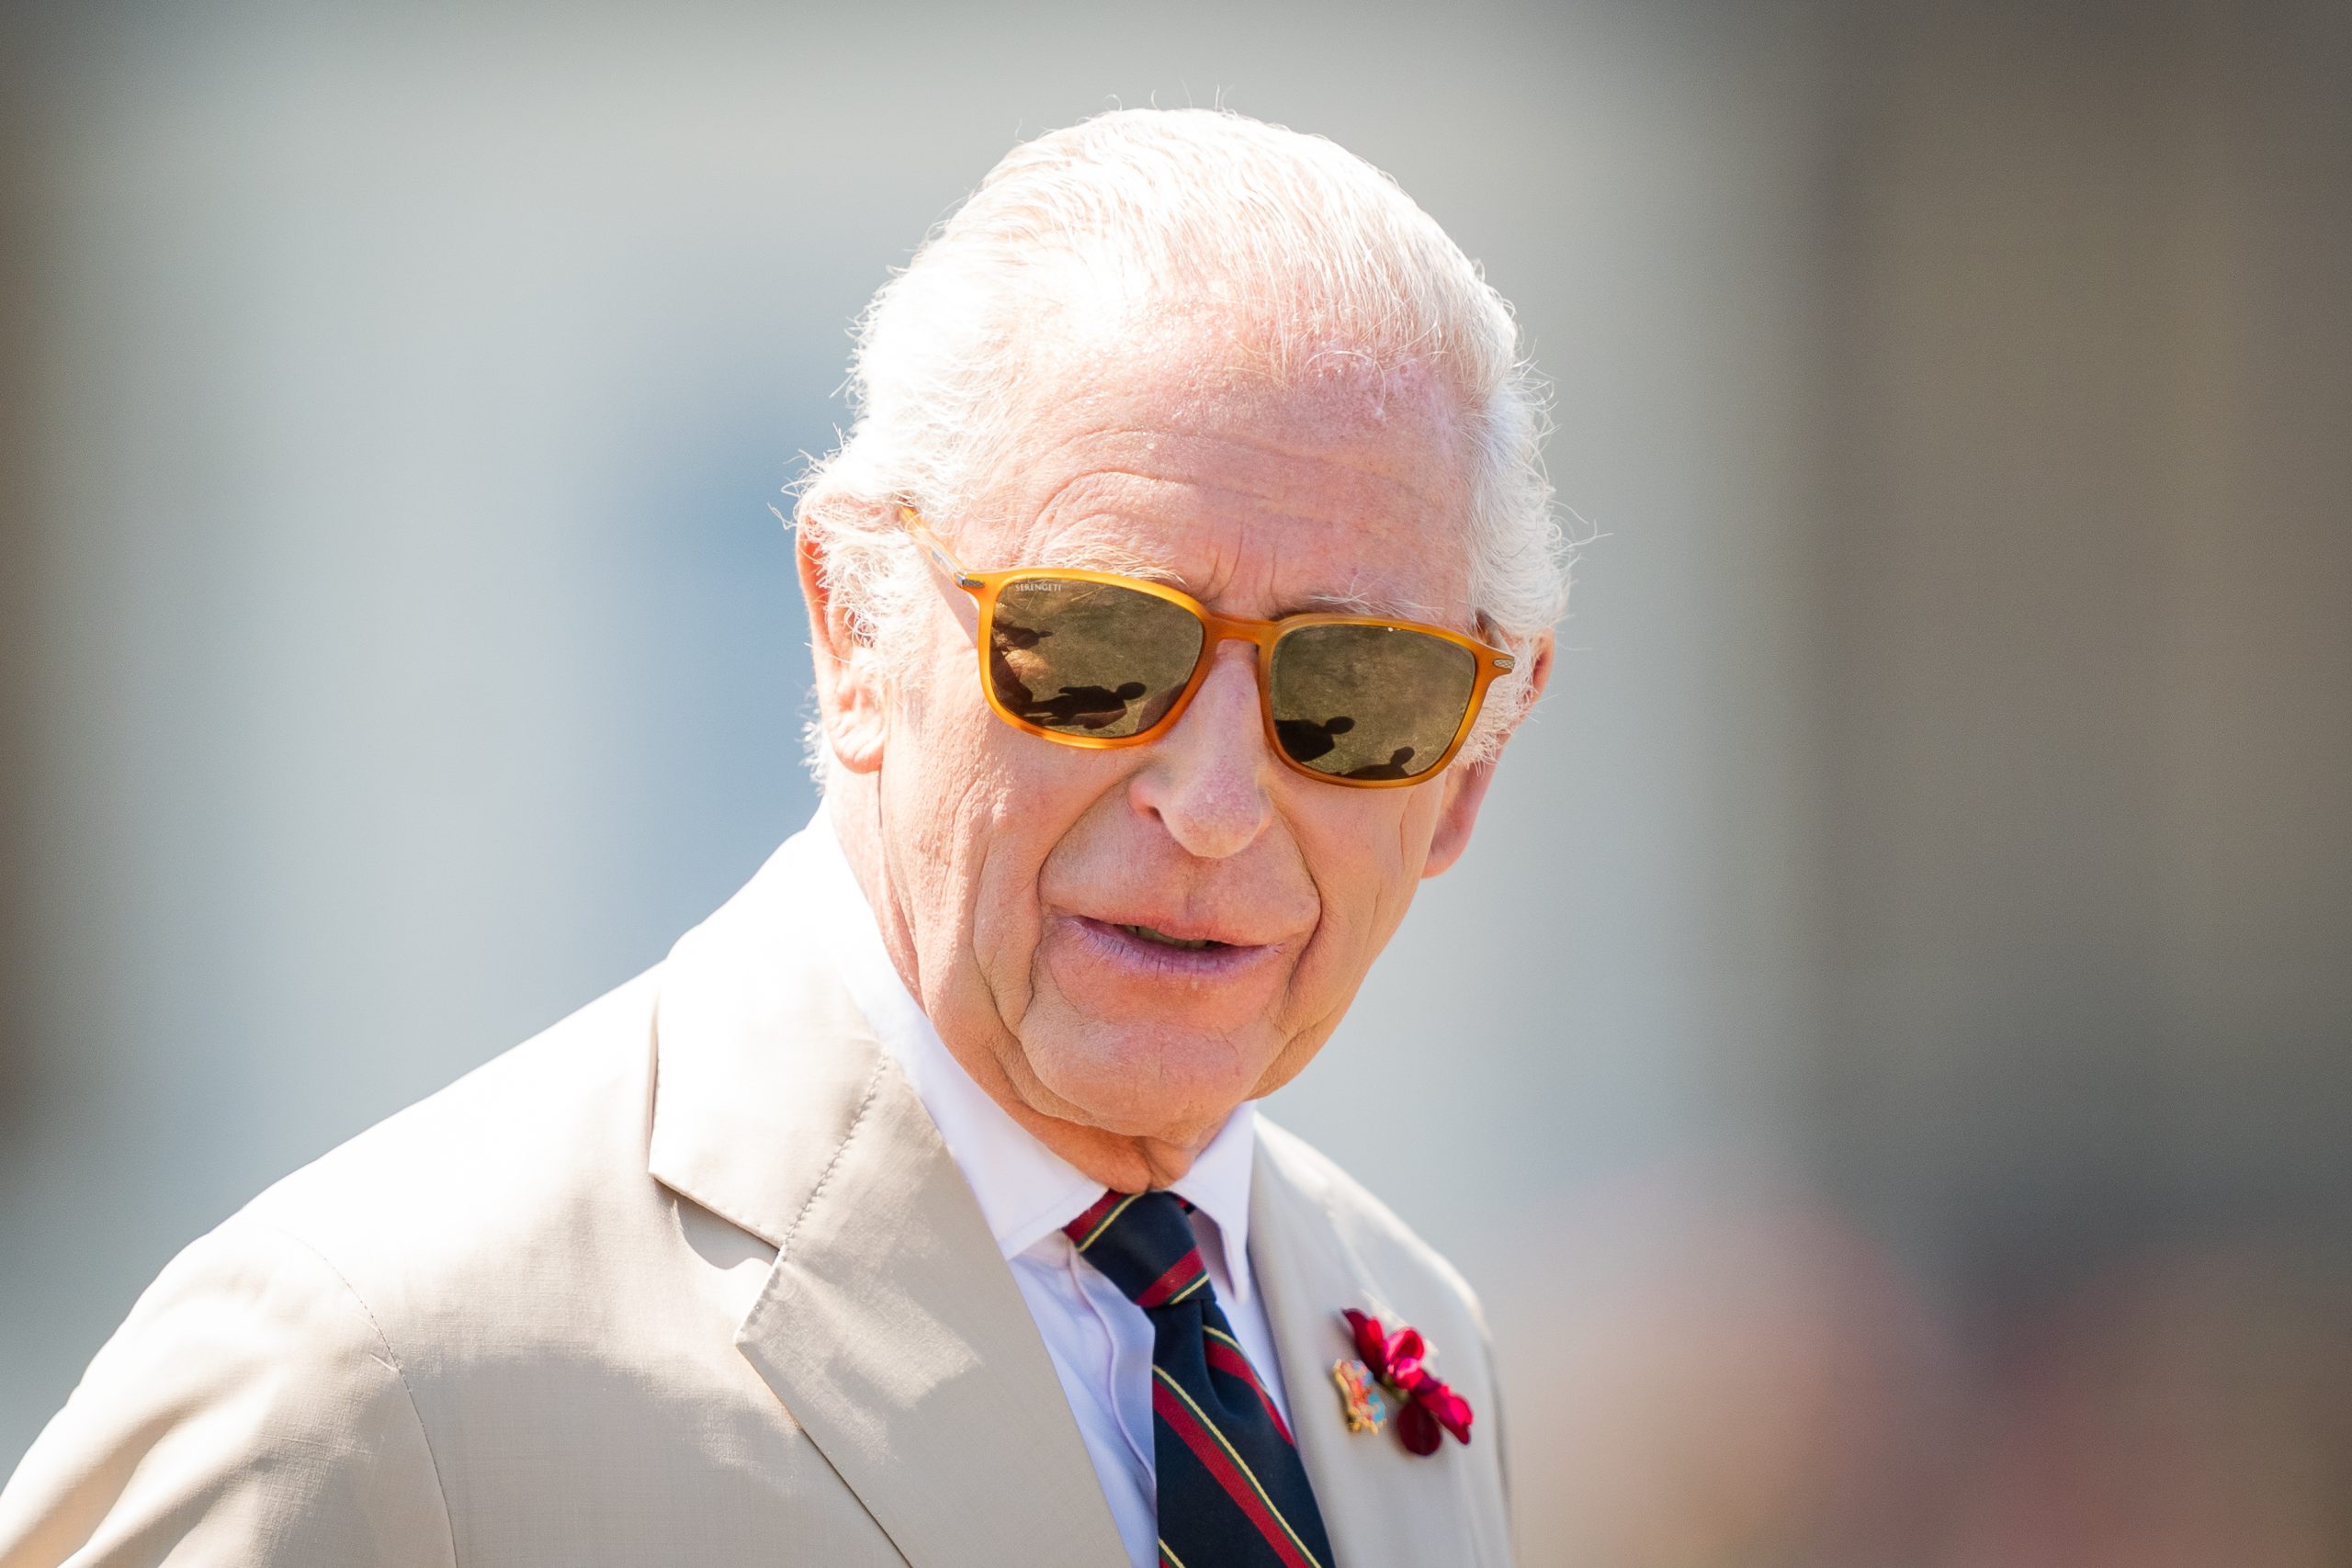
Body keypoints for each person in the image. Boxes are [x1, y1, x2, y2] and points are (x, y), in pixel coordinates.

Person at [0, 107, 1560, 1568]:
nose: (1213, 804)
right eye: (1098, 648)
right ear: (853, 629)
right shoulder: (370, 1375)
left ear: (1473, 764)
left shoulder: (1403, 1329)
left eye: (1357, 687)